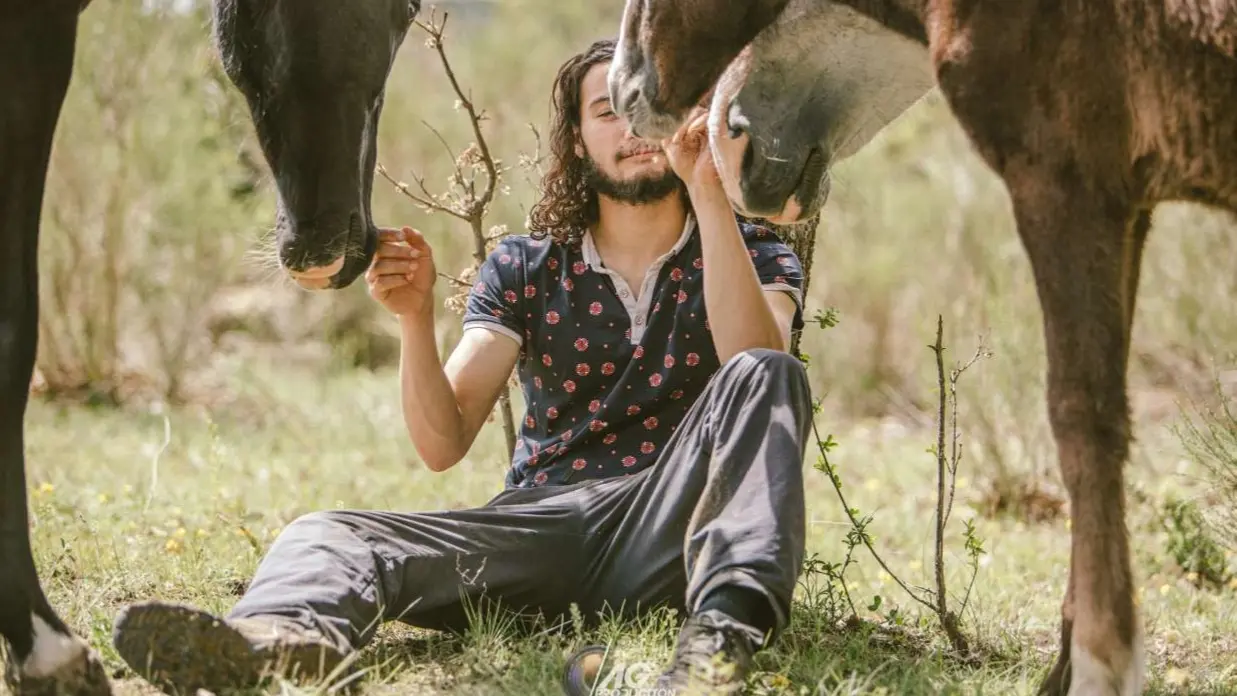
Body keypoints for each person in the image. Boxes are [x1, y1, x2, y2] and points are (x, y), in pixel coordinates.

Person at [111, 37, 813, 695]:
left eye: (649, 112)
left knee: (768, 374)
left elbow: (755, 360)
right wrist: (414, 319)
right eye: (608, 111)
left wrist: (710, 194)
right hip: (541, 533)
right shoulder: (526, 265)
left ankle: (717, 644)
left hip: (672, 527)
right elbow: (443, 443)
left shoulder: (751, 251)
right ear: (576, 138)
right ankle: (281, 643)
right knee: (327, 532)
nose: (632, 129)